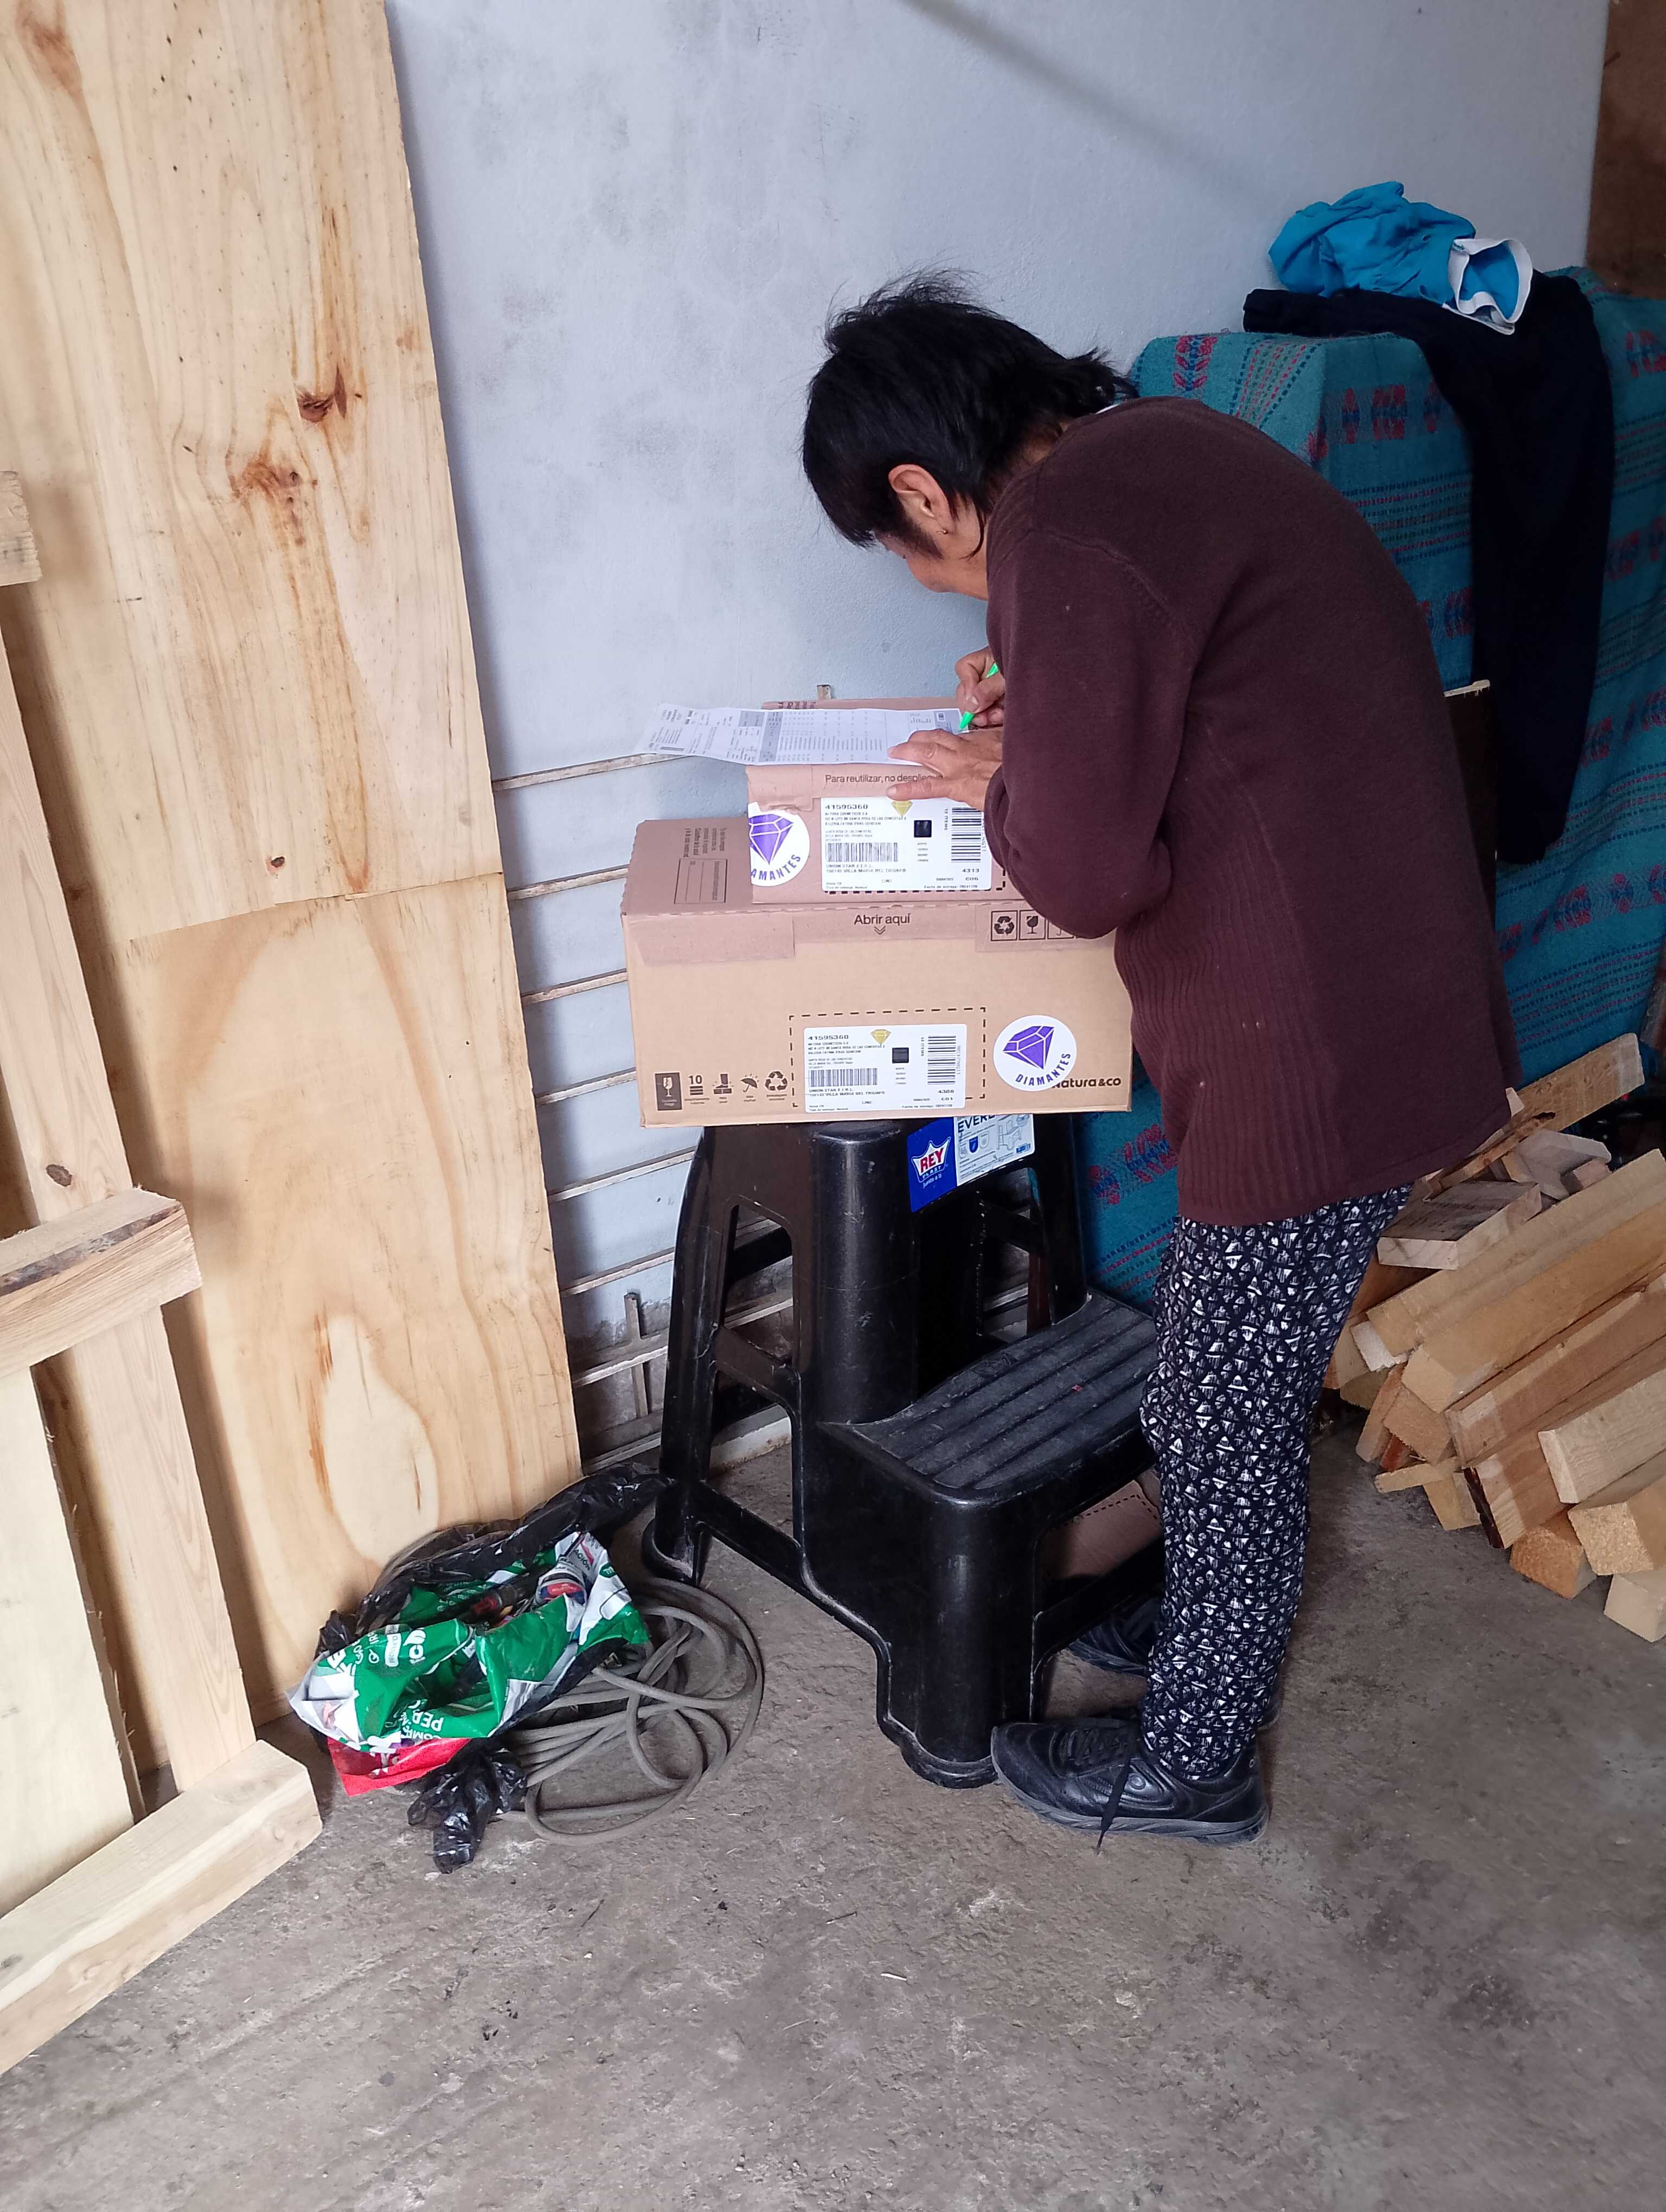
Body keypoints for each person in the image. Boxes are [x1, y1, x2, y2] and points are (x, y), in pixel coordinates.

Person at [800, 276, 1518, 1846]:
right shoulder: (1162, 450)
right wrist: (1039, 731)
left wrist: (1001, 794)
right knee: (1229, 1375)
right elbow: (1201, 718)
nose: (924, 578)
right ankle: (1201, 1618)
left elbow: (1083, 874)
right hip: (1374, 979)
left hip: (1314, 1037)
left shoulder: (1064, 533)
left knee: (1220, 1412)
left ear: (924, 490)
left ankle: (1197, 1759)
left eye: (901, 546)